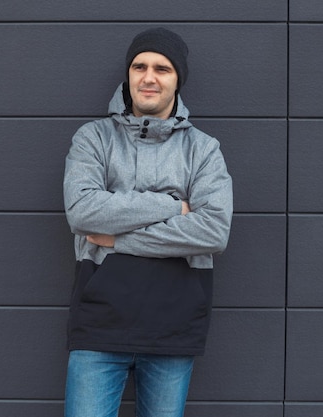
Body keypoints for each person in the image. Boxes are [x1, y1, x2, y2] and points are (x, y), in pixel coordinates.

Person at [62, 27, 233, 417]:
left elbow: (213, 230)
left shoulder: (203, 150)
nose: (149, 77)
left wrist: (118, 240)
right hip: (98, 323)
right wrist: (175, 205)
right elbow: (84, 212)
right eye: (139, 66)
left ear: (178, 80)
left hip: (174, 325)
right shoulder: (93, 139)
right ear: (128, 75)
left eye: (162, 68)